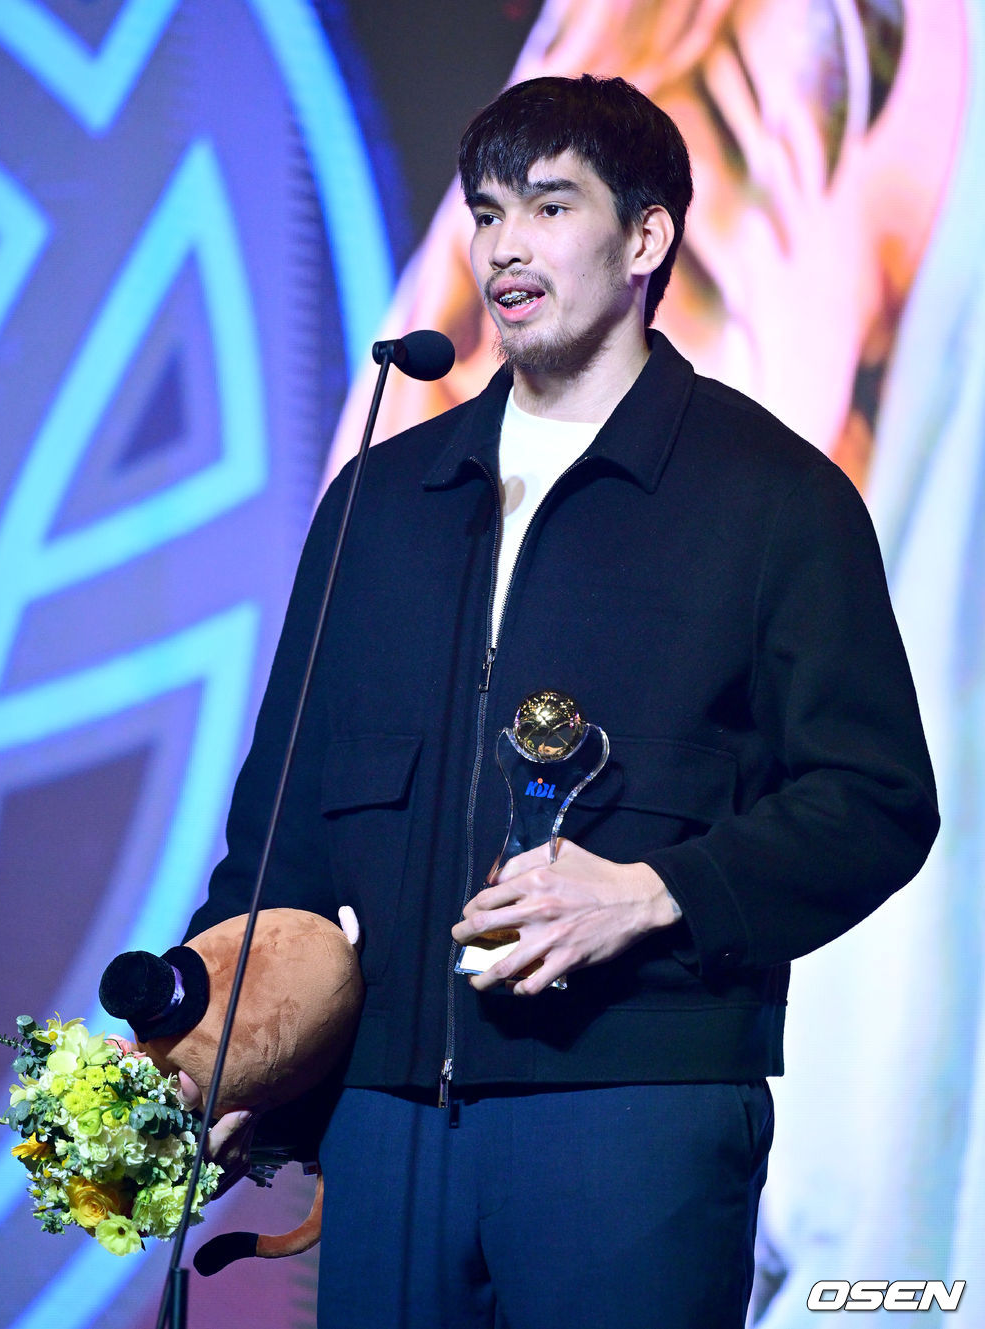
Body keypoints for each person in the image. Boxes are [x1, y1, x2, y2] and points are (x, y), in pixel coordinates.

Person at [187, 74, 938, 1328]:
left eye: (548, 206)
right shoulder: (383, 499)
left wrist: (654, 893)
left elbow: (874, 803)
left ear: (645, 239)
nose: (503, 246)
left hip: (633, 1110)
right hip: (385, 1123)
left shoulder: (771, 498)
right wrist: (223, 1040)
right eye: (486, 213)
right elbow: (280, 832)